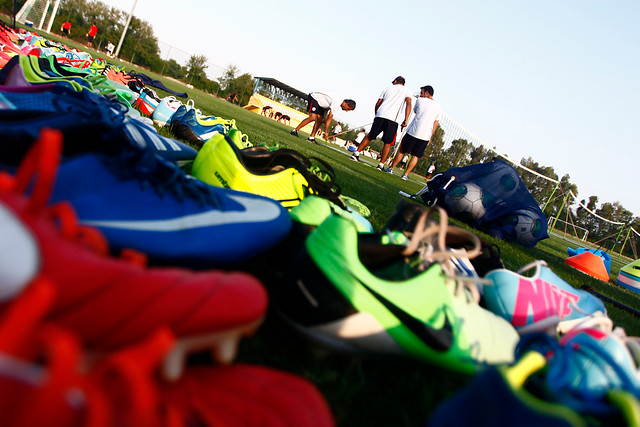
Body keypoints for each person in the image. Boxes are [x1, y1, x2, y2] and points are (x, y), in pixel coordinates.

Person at [350, 76, 412, 168]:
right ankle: (381, 164)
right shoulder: (407, 90)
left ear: (395, 81)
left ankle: (356, 153)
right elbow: (409, 103)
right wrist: (406, 120)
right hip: (392, 119)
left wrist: (377, 114)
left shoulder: (387, 88)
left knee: (370, 136)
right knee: (388, 142)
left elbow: (378, 103)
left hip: (380, 115)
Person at [384, 85, 443, 181]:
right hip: (425, 136)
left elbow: (415, 111)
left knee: (402, 151)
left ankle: (391, 168)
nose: (420, 94)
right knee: (415, 156)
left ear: (427, 92)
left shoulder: (420, 100)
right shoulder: (439, 107)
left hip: (413, 131)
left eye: (422, 92)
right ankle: (405, 175)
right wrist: (430, 137)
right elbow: (435, 123)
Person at [290, 91, 356, 143]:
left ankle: (311, 138)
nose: (346, 111)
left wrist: (324, 116)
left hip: (321, 103)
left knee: (320, 120)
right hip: (314, 97)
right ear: (347, 104)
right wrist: (326, 132)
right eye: (348, 109)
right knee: (313, 117)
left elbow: (327, 107)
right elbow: (329, 118)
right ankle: (295, 131)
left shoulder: (338, 103)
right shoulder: (337, 102)